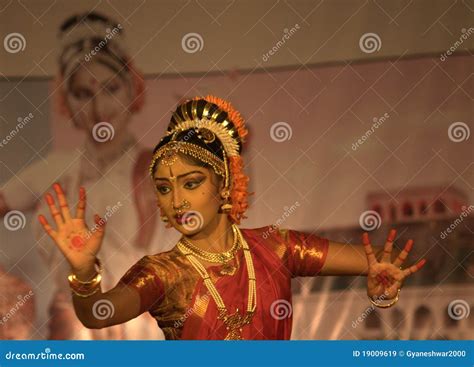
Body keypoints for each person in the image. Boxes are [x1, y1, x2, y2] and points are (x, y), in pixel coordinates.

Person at [37, 95, 426, 340]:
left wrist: (381, 284)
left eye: (190, 183)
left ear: (223, 184)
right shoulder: (162, 272)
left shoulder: (277, 247)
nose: (177, 200)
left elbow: (376, 261)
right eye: (164, 187)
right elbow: (97, 315)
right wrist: (85, 275)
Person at [1, 12, 179, 339]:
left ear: (132, 90)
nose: (99, 109)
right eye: (83, 93)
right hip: (73, 333)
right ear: (65, 100)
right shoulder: (56, 169)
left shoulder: (161, 167)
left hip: (143, 331)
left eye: (111, 88)